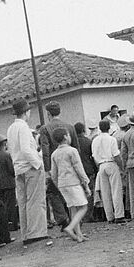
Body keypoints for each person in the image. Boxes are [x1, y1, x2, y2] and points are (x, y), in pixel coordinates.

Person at [6, 98, 50, 245]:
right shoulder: (23, 127)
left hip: (18, 168)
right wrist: (38, 164)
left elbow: (13, 150)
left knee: (23, 202)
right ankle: (36, 232)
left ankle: (26, 233)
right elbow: (26, 149)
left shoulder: (11, 128)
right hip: (30, 167)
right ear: (26, 112)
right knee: (36, 200)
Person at [38, 101, 78, 232]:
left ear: (48, 113)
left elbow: (45, 151)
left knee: (54, 193)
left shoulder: (45, 129)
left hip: (55, 165)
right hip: (70, 165)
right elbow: (76, 147)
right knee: (71, 192)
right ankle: (74, 219)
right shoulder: (70, 127)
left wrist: (47, 170)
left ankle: (63, 219)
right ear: (60, 112)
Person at [50, 128, 91, 242]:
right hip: (73, 182)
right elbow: (79, 168)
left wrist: (58, 185)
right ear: (65, 137)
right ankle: (70, 227)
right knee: (83, 207)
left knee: (72, 208)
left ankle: (79, 235)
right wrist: (86, 184)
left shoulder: (54, 154)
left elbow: (53, 174)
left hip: (62, 184)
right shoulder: (72, 151)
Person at [91, 119, 126, 223]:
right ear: (109, 127)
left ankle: (109, 216)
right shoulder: (111, 139)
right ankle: (119, 215)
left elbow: (94, 156)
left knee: (105, 193)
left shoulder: (95, 140)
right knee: (116, 190)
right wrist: (121, 167)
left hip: (101, 165)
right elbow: (116, 155)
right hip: (111, 163)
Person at [0, 135, 19, 231]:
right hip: (9, 183)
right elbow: (11, 169)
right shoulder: (6, 155)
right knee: (11, 205)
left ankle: (5, 225)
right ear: (5, 143)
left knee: (2, 206)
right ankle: (13, 224)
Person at [74, 122, 98, 220]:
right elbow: (92, 157)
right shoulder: (88, 141)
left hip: (76, 171)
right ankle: (88, 215)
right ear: (84, 130)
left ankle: (80, 216)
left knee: (78, 194)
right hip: (88, 170)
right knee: (89, 193)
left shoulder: (73, 143)